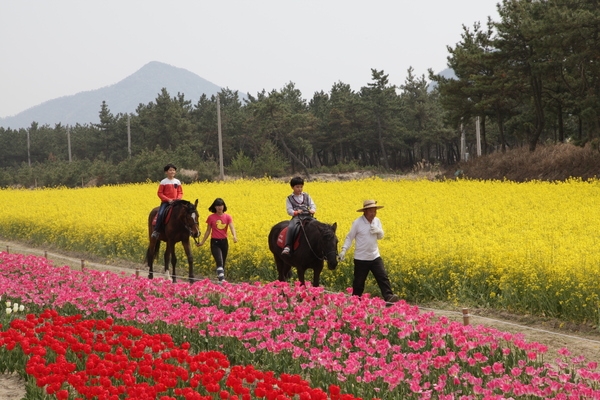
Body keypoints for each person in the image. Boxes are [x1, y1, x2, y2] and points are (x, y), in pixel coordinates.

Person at [339, 200, 399, 303]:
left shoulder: (377, 221)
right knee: (358, 282)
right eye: (371, 211)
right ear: (365, 211)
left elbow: (380, 236)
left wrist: (379, 231)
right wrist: (344, 250)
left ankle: (389, 297)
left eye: (375, 211)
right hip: (361, 258)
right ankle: (355, 301)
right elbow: (350, 237)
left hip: (375, 256)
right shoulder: (357, 223)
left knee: (382, 277)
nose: (373, 214)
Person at [197, 198, 238, 283]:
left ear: (224, 206)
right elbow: (208, 231)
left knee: (223, 262)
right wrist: (202, 242)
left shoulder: (228, 217)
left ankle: (220, 279)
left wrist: (234, 236)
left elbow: (231, 227)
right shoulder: (211, 217)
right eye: (218, 205)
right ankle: (222, 280)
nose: (220, 207)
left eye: (221, 205)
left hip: (224, 242)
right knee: (219, 260)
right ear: (214, 207)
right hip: (215, 242)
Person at [281, 176, 316, 255]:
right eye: (297, 187)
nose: (299, 189)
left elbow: (312, 205)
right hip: (297, 218)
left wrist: (312, 210)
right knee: (291, 227)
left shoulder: (306, 196)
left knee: (317, 226)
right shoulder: (289, 198)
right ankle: (288, 246)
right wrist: (296, 212)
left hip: (308, 216)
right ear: (292, 187)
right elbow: (289, 210)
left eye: (301, 187)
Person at [151, 163, 183, 239]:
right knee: (161, 213)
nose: (172, 172)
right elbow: (160, 193)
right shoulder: (163, 182)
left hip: (176, 202)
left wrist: (178, 199)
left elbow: (180, 192)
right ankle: (156, 231)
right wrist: (168, 200)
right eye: (170, 170)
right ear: (166, 172)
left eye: (173, 170)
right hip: (166, 203)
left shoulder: (177, 182)